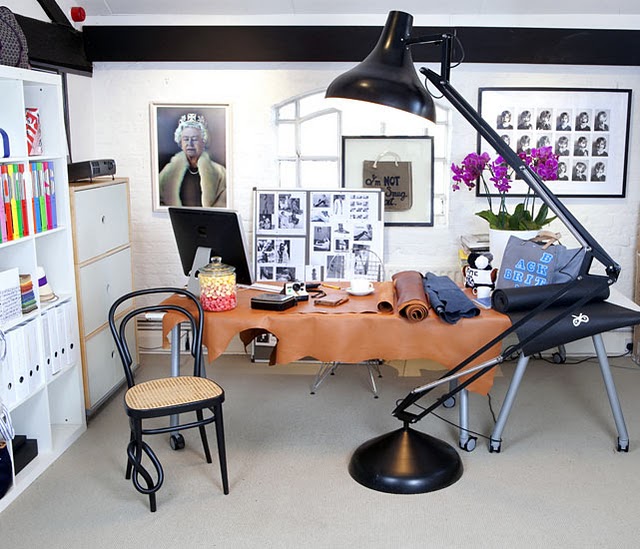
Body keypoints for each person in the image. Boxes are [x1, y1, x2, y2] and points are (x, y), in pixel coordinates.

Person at [159, 112, 226, 207]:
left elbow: (224, 204)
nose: (190, 144)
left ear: (203, 142)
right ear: (180, 143)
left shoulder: (220, 172)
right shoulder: (167, 172)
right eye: (186, 139)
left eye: (194, 139)